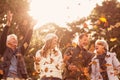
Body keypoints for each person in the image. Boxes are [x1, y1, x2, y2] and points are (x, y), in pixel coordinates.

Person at [0, 11, 33, 80]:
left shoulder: (20, 51)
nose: (15, 40)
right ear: (7, 41)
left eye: (16, 39)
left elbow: (27, 41)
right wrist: (8, 24)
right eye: (12, 38)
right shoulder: (3, 49)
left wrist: (31, 28)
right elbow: (3, 38)